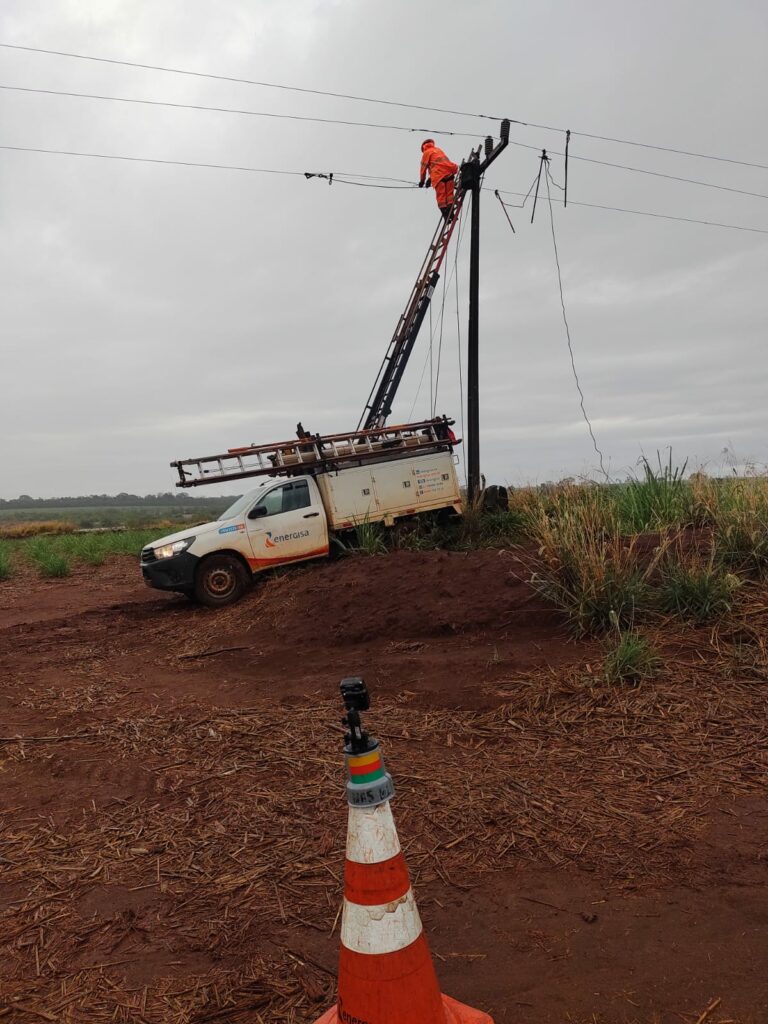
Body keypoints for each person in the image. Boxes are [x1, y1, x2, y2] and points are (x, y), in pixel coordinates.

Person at [418, 139, 459, 220]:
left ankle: (446, 215)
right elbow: (439, 165)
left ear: (423, 147)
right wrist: (429, 179)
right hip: (449, 173)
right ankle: (451, 214)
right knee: (450, 196)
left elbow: (423, 168)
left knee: (441, 199)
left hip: (439, 177)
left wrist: (422, 181)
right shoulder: (438, 150)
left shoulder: (426, 153)